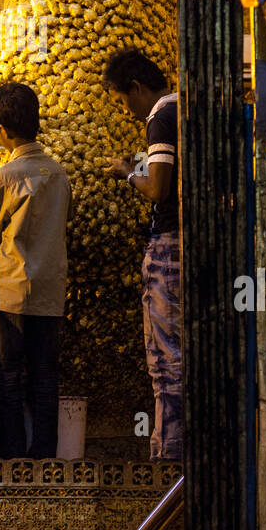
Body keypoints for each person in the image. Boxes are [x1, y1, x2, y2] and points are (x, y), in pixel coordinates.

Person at [0, 82, 72, 458]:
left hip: (10, 291)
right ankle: (45, 454)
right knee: (45, 376)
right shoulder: (58, 174)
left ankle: (12, 453)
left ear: (1, 130)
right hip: (49, 291)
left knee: (9, 375)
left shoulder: (6, 176)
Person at [103, 49, 181, 462]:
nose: (127, 111)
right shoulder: (183, 108)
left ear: (136, 87)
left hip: (169, 246)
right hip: (185, 243)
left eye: (122, 100)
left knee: (166, 360)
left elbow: (158, 189)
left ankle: (169, 458)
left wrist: (128, 174)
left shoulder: (160, 117)